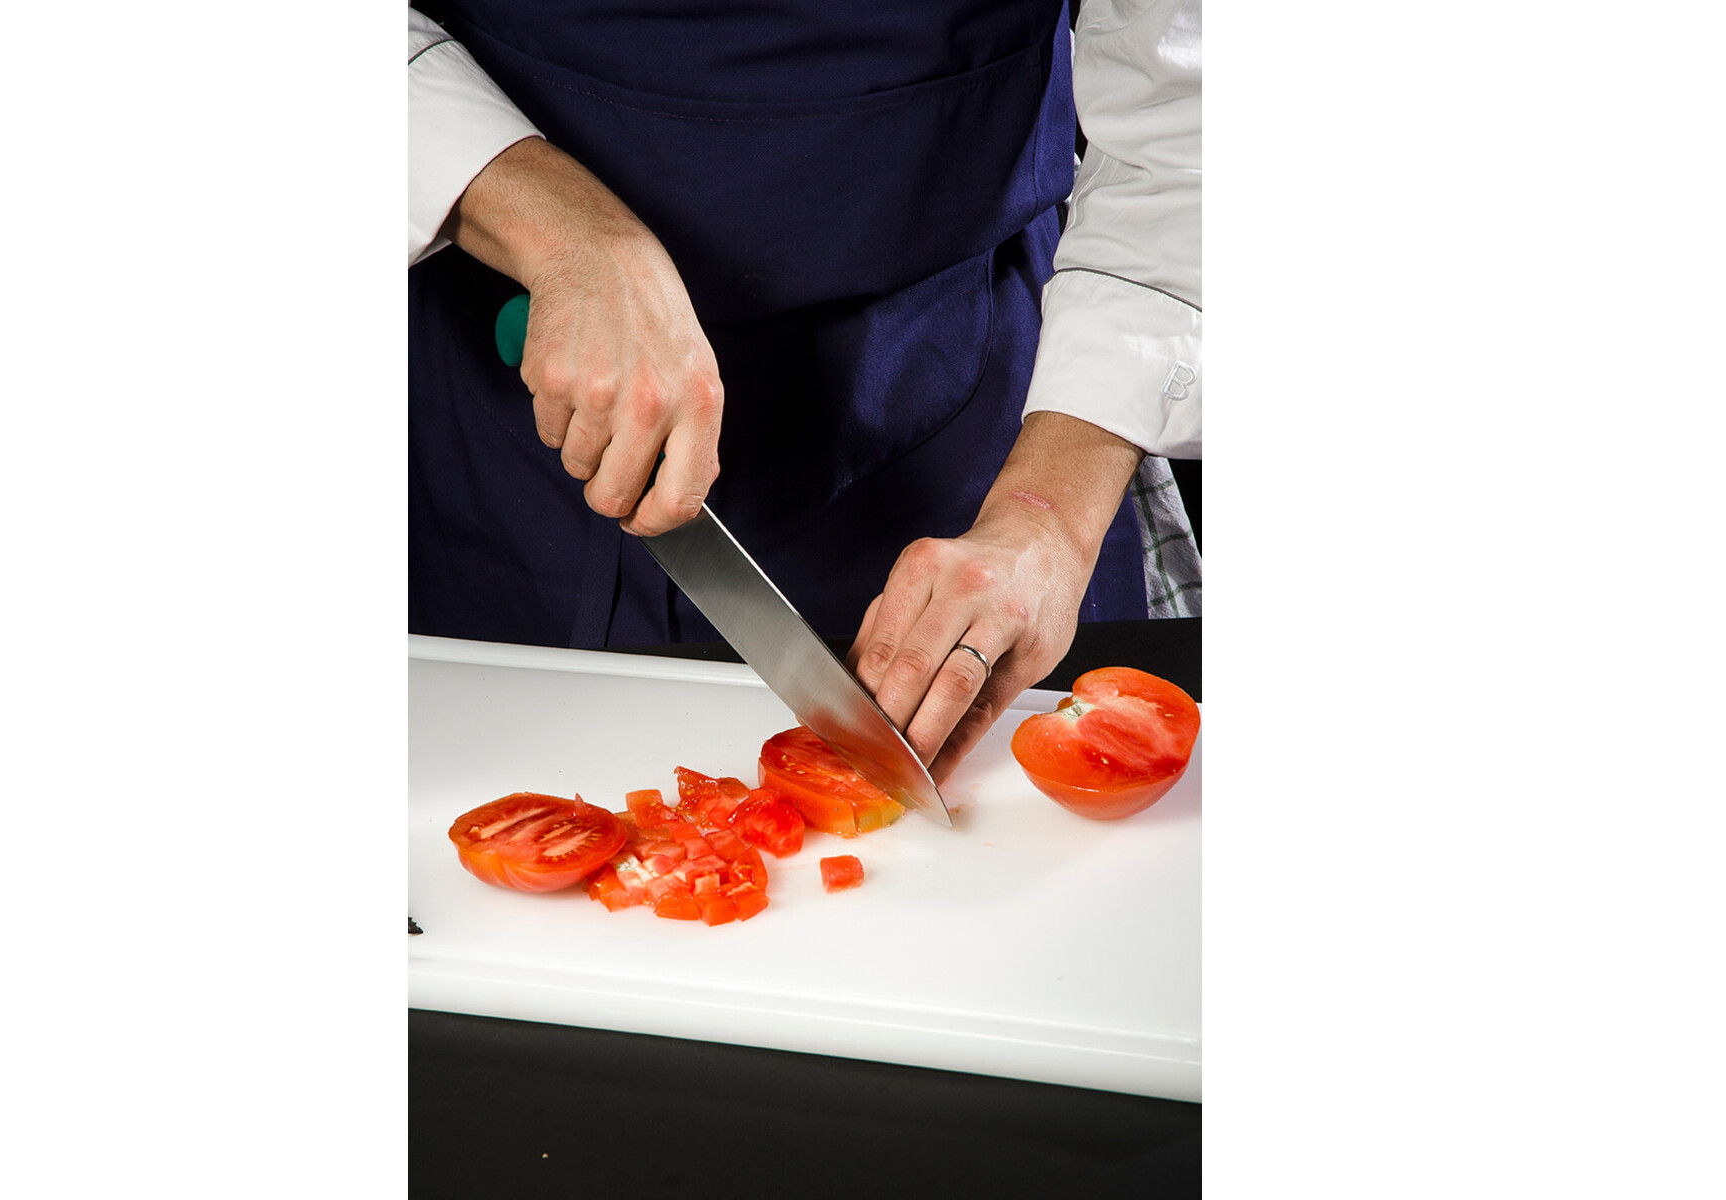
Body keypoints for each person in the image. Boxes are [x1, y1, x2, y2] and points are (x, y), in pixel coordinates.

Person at [408, 0, 1200, 783]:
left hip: (966, 391)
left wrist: (1048, 517)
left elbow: (1192, 114)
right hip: (510, 390)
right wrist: (562, 234)